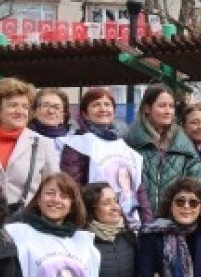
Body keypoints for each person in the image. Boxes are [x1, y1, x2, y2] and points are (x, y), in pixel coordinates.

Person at [60, 87, 148, 228]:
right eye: (96, 105)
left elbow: (139, 189)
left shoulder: (123, 145)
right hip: (94, 224)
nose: (103, 109)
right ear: (85, 114)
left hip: (128, 224)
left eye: (107, 104)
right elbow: (74, 188)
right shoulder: (76, 144)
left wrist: (147, 223)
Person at [0, 77, 60, 211]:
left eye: (25, 107)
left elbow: (55, 187)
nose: (20, 111)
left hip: (28, 223)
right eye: (13, 105)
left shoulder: (43, 144)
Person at [125, 84, 201, 221]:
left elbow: (196, 187)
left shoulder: (184, 146)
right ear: (147, 108)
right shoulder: (129, 142)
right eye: (162, 106)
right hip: (136, 223)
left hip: (175, 224)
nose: (168, 111)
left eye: (171, 106)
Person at [30, 88, 72, 152]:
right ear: (35, 110)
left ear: (63, 113)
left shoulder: (75, 140)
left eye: (57, 107)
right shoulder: (24, 138)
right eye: (45, 106)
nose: (51, 111)